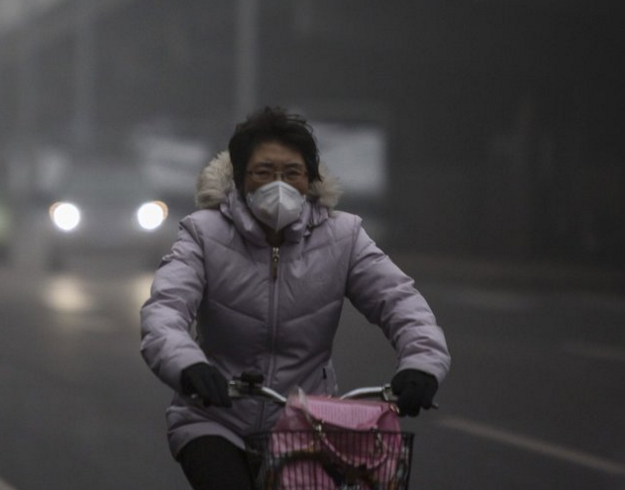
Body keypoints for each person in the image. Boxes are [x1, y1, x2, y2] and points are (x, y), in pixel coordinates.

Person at [139, 107, 451, 489]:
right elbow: (165, 311)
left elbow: (401, 302)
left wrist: (421, 364)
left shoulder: (345, 236)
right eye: (263, 172)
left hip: (306, 428)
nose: (279, 184)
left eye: (292, 173)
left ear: (311, 179)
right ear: (240, 178)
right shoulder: (203, 234)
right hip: (214, 418)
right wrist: (188, 366)